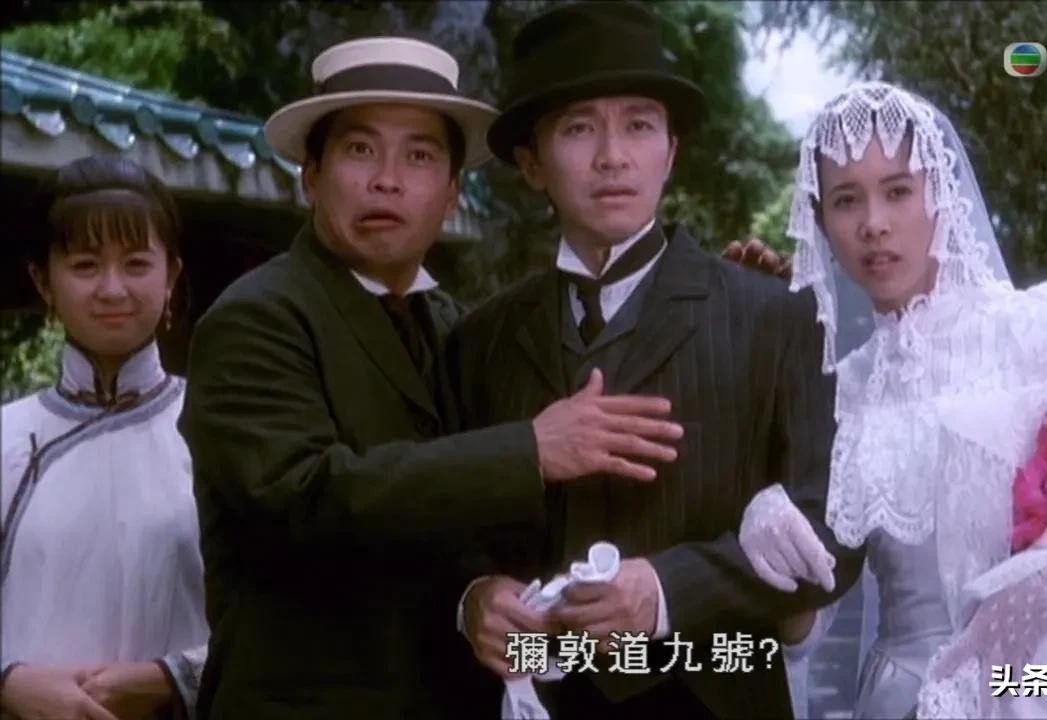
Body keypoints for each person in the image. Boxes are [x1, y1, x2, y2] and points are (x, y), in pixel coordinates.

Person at [178, 37, 683, 720]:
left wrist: (478, 593)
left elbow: (471, 528)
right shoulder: (256, 318)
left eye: (419, 156)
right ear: (311, 175)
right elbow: (306, 501)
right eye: (360, 149)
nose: (388, 180)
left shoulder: (457, 325)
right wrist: (529, 450)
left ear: (450, 193)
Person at [734, 80, 1047, 718]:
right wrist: (762, 533)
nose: (874, 223)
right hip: (904, 701)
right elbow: (809, 627)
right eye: (846, 200)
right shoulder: (836, 391)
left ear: (942, 191)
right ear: (822, 223)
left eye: (898, 191)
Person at [450, 3, 864, 718]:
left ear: (670, 151)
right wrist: (473, 596)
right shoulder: (479, 340)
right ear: (531, 163)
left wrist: (671, 589)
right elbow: (446, 527)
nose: (612, 156)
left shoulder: (776, 316)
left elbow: (837, 534)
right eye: (578, 128)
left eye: (639, 125)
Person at [1, 155, 207, 720]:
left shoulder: (222, 429)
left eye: (137, 263)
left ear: (171, 277)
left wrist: (172, 677)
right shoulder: (8, 437)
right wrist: (10, 684)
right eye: (86, 265)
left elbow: (277, 616)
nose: (112, 289)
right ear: (43, 280)